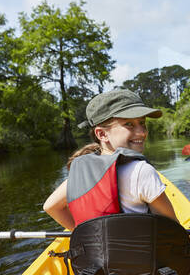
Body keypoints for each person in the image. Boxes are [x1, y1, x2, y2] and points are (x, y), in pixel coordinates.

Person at [43, 89, 177, 231]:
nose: (142, 132)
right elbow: (173, 230)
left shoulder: (80, 174)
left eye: (142, 123)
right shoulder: (142, 171)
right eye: (129, 124)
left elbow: (50, 207)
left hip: (94, 253)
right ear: (102, 134)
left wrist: (80, 233)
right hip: (141, 253)